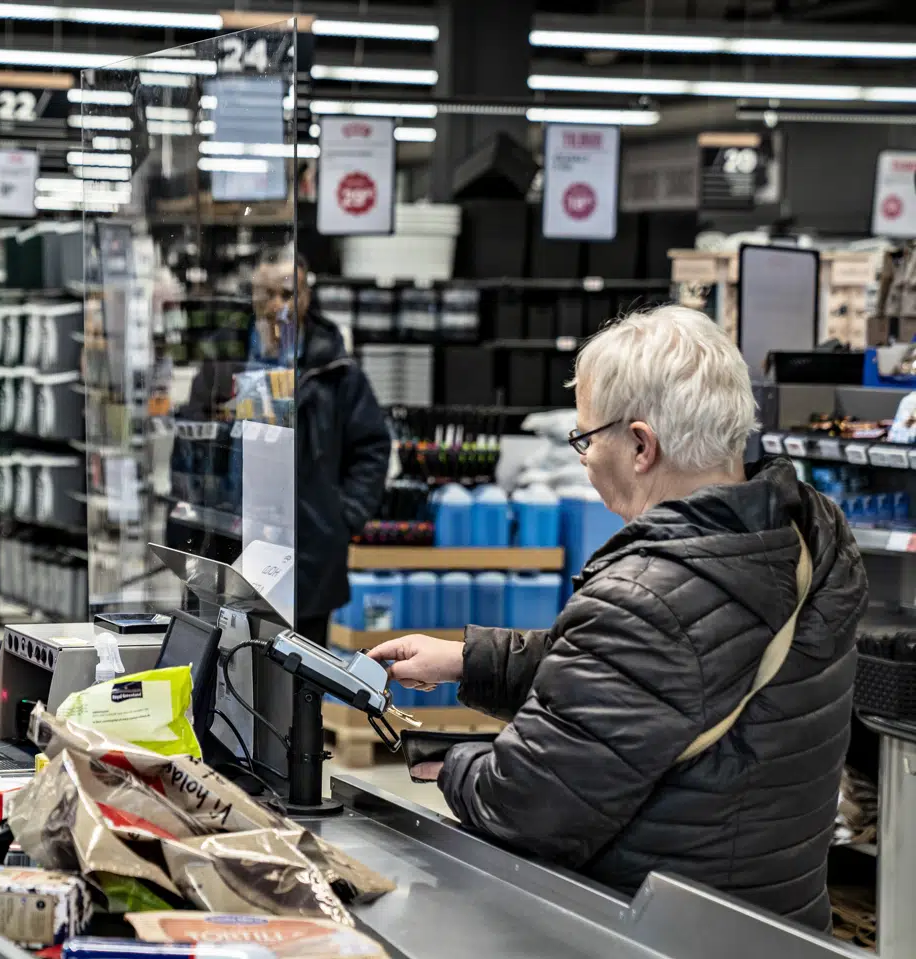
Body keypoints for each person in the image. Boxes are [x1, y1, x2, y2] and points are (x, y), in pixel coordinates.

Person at [368, 305, 866, 931]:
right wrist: (471, 659)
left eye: (585, 437)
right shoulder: (805, 537)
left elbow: (530, 807)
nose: (581, 456)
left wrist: (450, 763)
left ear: (640, 444)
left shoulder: (649, 596)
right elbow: (662, 674)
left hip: (655, 932)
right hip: (770, 921)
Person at [247, 252, 389, 645]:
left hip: (307, 551)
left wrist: (342, 517)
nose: (277, 305)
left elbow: (372, 446)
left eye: (287, 293)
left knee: (299, 684)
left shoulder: (336, 370)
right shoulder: (230, 358)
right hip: (237, 543)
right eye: (266, 294)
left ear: (306, 297)